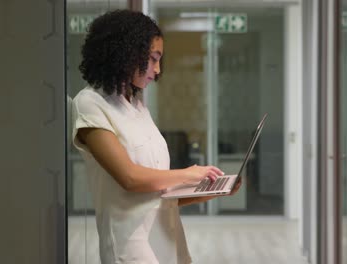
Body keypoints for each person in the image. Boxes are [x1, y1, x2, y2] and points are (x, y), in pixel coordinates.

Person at [72, 9, 240, 264]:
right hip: (129, 245)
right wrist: (189, 173)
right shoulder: (89, 103)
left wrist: (215, 190)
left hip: (166, 236)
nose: (157, 69)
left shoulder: (137, 106)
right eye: (152, 58)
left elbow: (158, 193)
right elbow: (130, 178)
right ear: (126, 53)